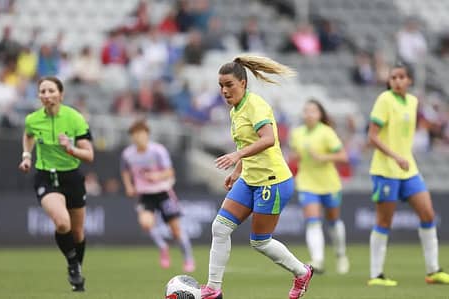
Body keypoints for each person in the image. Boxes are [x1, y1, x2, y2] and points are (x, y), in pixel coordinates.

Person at [201, 55, 313, 299]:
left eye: (229, 84)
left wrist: (236, 155)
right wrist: (238, 170)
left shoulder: (256, 105)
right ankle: (213, 289)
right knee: (220, 228)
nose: (224, 90)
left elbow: (268, 139)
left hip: (272, 181)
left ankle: (301, 272)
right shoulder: (235, 111)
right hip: (249, 179)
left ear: (243, 83)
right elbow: (247, 142)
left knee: (260, 242)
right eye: (221, 85)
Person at [367, 63, 449, 286]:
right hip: (386, 170)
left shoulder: (413, 102)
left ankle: (433, 271)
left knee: (428, 214)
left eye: (401, 77)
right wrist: (395, 156)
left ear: (409, 80)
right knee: (384, 221)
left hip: (409, 170)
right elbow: (373, 136)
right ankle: (376, 275)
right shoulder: (384, 100)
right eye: (393, 77)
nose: (396, 81)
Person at [18, 76, 94, 292]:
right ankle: (73, 266)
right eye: (42, 91)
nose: (46, 95)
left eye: (51, 91)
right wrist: (26, 156)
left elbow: (89, 155)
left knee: (77, 233)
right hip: (46, 176)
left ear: (61, 94)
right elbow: (28, 135)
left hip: (72, 177)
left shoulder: (75, 118)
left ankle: (77, 273)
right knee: (62, 223)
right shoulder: (32, 119)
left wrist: (70, 148)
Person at [120, 119, 195, 273]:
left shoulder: (158, 150)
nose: (137, 138)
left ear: (147, 135)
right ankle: (163, 246)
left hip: (163, 192)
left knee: (175, 230)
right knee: (146, 223)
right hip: (145, 194)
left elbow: (170, 171)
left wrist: (157, 176)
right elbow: (125, 170)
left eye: (140, 134)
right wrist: (128, 186)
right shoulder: (128, 154)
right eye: (134, 135)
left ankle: (188, 258)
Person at [289, 99, 350, 274]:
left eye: (313, 111)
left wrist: (323, 158)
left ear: (320, 114)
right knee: (313, 222)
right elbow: (296, 155)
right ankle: (318, 260)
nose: (309, 114)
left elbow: (343, 156)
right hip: (307, 183)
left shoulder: (327, 132)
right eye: (306, 111)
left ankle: (341, 255)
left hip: (329, 184)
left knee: (333, 222)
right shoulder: (297, 133)